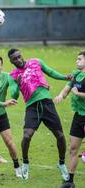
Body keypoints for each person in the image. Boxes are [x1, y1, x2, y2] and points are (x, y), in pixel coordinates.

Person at [8, 48, 72, 181]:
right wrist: (18, 84)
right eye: (15, 59)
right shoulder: (13, 75)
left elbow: (50, 72)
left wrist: (64, 77)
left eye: (19, 56)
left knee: (60, 135)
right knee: (26, 136)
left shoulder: (36, 62)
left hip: (47, 104)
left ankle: (61, 163)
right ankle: (25, 163)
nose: (18, 60)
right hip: (32, 107)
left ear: (22, 55)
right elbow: (13, 95)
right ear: (11, 61)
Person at [54, 51, 85, 188]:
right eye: (76, 59)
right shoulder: (76, 75)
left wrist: (78, 94)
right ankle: (69, 181)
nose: (76, 61)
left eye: (79, 59)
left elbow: (76, 92)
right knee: (73, 149)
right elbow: (67, 88)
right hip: (78, 116)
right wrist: (61, 95)